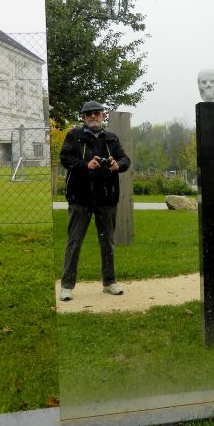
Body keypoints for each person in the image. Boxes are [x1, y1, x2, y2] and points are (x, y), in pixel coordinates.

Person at [59, 100, 131, 301]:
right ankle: (67, 286)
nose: (93, 116)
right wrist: (85, 165)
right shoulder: (74, 136)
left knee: (107, 242)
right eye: (89, 114)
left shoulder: (111, 138)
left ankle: (109, 282)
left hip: (106, 198)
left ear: (103, 116)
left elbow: (125, 159)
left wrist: (117, 165)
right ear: (83, 117)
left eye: (97, 113)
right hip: (80, 199)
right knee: (74, 242)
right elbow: (65, 158)